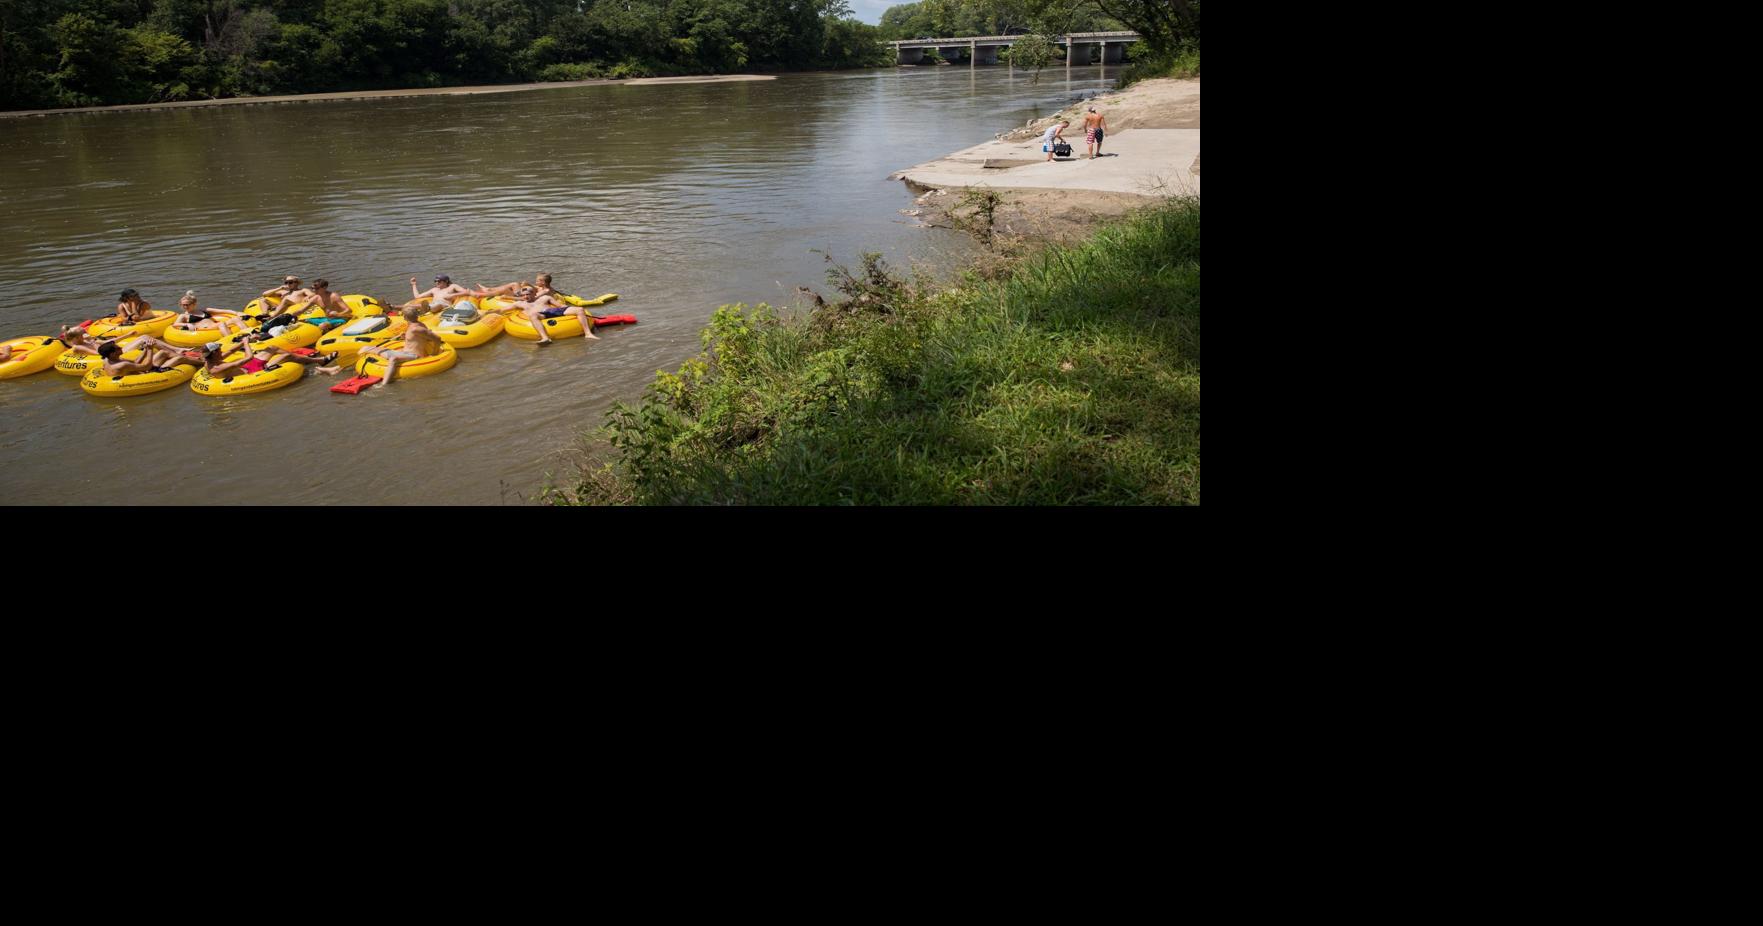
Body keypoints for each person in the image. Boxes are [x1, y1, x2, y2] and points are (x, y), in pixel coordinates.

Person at [358, 307, 443, 384]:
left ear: (404, 317)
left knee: (393, 358)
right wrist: (405, 335)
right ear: (417, 316)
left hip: (414, 356)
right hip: (403, 352)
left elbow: (437, 339)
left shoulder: (417, 328)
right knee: (366, 348)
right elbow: (418, 338)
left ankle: (384, 385)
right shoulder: (413, 326)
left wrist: (434, 353)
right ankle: (358, 367)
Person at [199, 335, 341, 377]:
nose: (220, 351)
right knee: (286, 357)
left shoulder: (212, 359)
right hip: (253, 372)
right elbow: (247, 358)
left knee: (272, 348)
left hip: (249, 366)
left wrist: (243, 340)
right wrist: (246, 345)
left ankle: (305, 362)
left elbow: (228, 352)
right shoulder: (217, 367)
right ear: (214, 353)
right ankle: (319, 362)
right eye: (218, 349)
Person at [501, 284, 599, 346]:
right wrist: (488, 312)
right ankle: (545, 338)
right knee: (533, 315)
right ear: (521, 296)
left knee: (580, 309)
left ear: (533, 294)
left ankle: (588, 334)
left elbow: (560, 305)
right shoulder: (519, 304)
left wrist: (565, 307)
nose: (526, 296)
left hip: (552, 311)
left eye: (528, 294)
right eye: (524, 295)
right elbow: (502, 310)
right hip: (541, 315)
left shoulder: (544, 298)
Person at [170, 291, 247, 339]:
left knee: (236, 319)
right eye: (183, 305)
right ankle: (231, 341)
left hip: (214, 325)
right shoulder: (183, 316)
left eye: (187, 304)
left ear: (194, 304)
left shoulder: (204, 310)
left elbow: (222, 311)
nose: (185, 307)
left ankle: (249, 334)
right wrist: (186, 324)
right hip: (206, 329)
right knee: (221, 323)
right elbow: (175, 324)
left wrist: (237, 313)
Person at [406, 275, 476, 310]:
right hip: (432, 306)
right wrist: (414, 284)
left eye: (439, 281)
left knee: (438, 304)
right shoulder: (434, 289)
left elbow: (466, 292)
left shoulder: (452, 286)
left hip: (444, 307)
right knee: (432, 305)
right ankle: (401, 307)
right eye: (435, 281)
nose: (436, 283)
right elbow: (417, 296)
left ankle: (413, 307)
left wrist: (451, 295)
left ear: (446, 281)